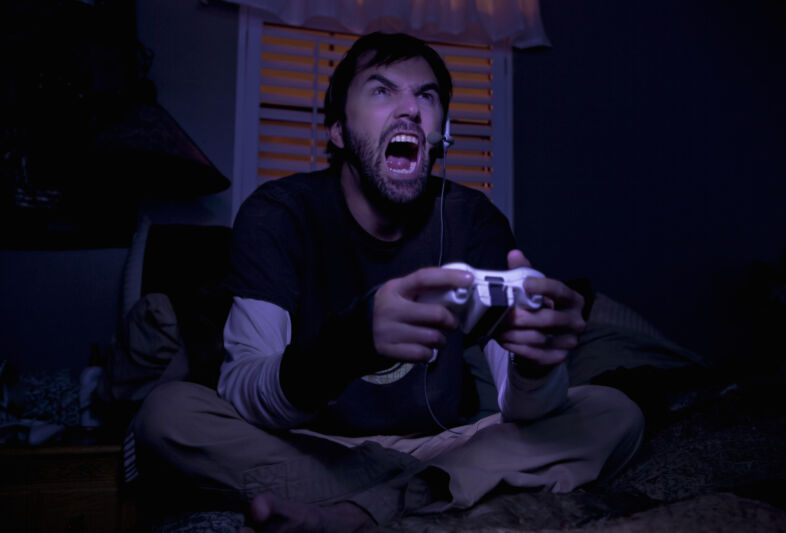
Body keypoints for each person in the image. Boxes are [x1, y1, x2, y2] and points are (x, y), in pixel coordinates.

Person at [133, 32, 644, 532]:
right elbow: (244, 390)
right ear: (337, 130)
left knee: (615, 412)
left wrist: (535, 367)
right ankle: (426, 493)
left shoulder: (473, 219)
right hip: (312, 445)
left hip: (442, 443)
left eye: (427, 95)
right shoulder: (278, 213)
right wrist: (349, 344)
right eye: (382, 90)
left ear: (442, 129)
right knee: (166, 416)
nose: (410, 110)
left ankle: (364, 509)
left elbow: (525, 406)